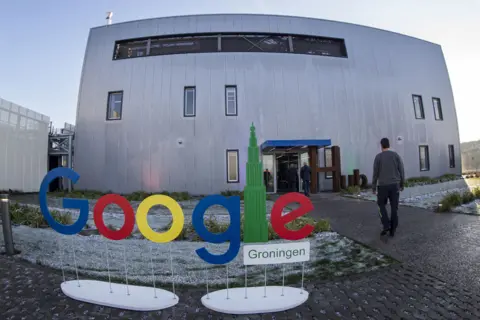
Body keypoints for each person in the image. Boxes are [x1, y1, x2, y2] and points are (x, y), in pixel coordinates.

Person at [372, 138, 405, 237]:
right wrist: (402, 184)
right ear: (389, 145)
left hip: (382, 186)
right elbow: (401, 170)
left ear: (381, 145)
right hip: (395, 185)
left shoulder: (378, 157)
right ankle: (393, 229)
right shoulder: (396, 156)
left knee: (381, 205)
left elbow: (375, 173)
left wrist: (373, 187)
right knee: (394, 207)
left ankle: (386, 224)